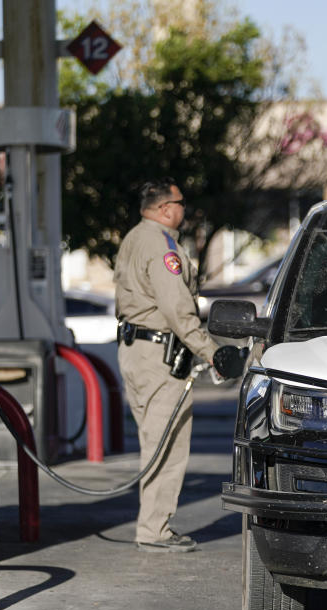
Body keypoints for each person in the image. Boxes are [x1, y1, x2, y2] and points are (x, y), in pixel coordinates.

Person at [113, 178, 220, 552]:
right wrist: (210, 351)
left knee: (152, 439)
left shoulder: (133, 238)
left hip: (136, 350)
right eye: (180, 203)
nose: (183, 210)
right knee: (167, 444)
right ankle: (154, 530)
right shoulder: (162, 246)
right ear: (165, 208)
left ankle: (153, 525)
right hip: (159, 356)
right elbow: (177, 307)